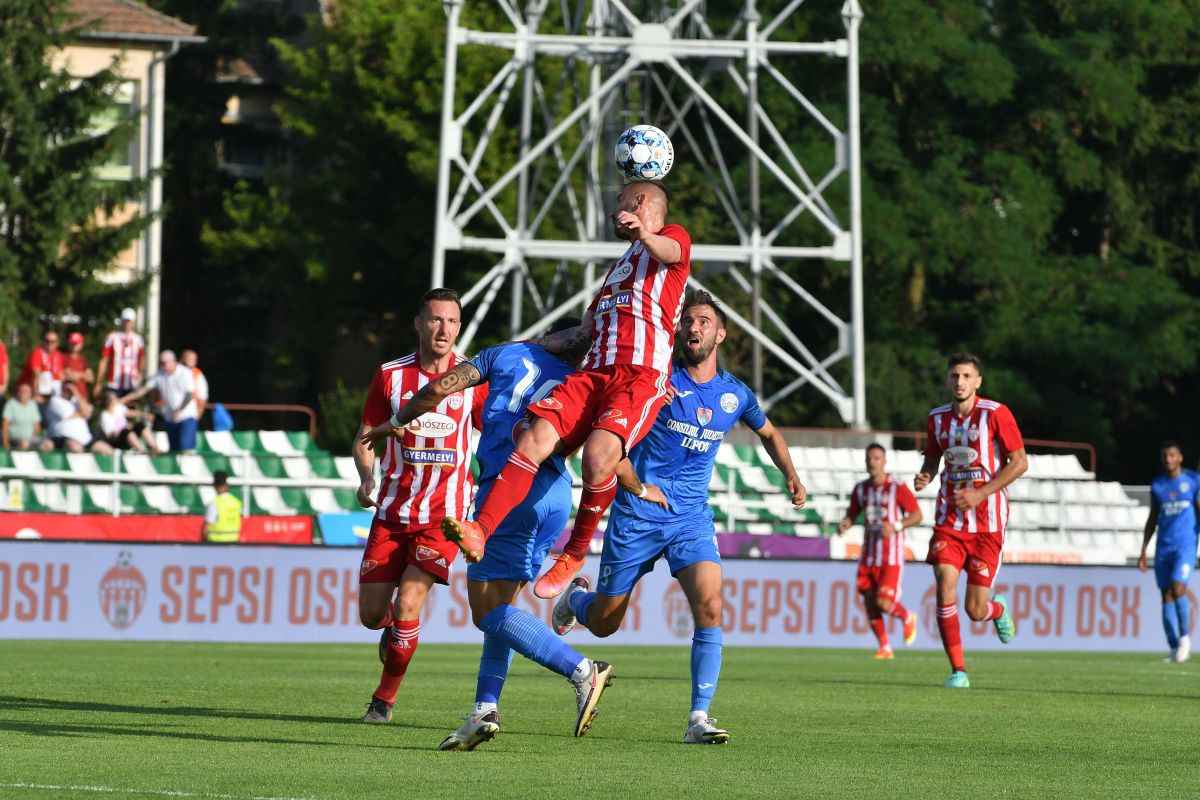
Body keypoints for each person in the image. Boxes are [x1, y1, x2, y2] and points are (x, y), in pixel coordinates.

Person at [552, 290, 807, 744]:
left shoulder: (735, 394)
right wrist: (635, 481)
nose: (695, 327)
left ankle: (698, 718)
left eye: (705, 321)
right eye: (688, 320)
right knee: (606, 624)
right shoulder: (656, 381)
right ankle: (576, 601)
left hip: (691, 517)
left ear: (721, 334)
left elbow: (769, 433)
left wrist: (792, 477)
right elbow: (613, 440)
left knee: (710, 607)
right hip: (638, 513)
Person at [362, 318, 614, 749]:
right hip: (555, 498)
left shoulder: (504, 353)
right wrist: (639, 487)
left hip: (510, 493)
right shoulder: (582, 382)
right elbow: (607, 452)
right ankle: (485, 708)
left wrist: (397, 420)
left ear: (550, 334)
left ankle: (581, 670)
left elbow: (439, 388)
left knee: (486, 613)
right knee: (503, 610)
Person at [442, 181, 691, 597]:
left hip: (639, 375)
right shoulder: (617, 271)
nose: (615, 210)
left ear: (641, 202)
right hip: (592, 375)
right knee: (531, 435)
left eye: (620, 201)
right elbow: (584, 333)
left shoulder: (671, 237)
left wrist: (644, 233)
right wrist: (530, 345)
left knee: (597, 459)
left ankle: (574, 553)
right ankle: (479, 530)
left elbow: (672, 253)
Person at [352, 288, 487, 725]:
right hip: (392, 513)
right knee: (373, 615)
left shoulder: (472, 379)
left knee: (411, 601)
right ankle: (390, 630)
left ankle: (382, 701)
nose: (443, 329)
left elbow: (499, 432)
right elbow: (366, 435)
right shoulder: (390, 375)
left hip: (443, 519)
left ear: (459, 327)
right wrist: (367, 476)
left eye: (451, 321)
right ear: (418, 323)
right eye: (435, 319)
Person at [914, 352, 1026, 689]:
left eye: (966, 376)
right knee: (944, 582)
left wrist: (981, 493)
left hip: (988, 524)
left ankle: (996, 610)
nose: (960, 382)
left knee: (975, 610)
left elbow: (1019, 463)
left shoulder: (996, 414)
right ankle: (958, 671)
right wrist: (925, 476)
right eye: (954, 376)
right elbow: (933, 460)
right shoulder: (937, 419)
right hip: (950, 519)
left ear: (978, 381)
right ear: (948, 380)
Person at [836, 443, 923, 659]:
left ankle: (907, 617)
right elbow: (852, 513)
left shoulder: (897, 487)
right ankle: (885, 646)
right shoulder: (861, 489)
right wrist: (846, 523)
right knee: (868, 600)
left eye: (876, 458)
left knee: (884, 602)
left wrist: (896, 526)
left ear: (885, 462)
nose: (872, 463)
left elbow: (917, 515)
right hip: (868, 555)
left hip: (890, 556)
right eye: (869, 459)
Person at [1138, 441, 1200, 663]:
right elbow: (1153, 518)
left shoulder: (1193, 481)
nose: (1168, 459)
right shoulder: (1158, 485)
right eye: (1165, 455)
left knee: (1178, 588)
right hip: (1163, 546)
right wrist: (1144, 549)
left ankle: (1185, 638)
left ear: (1180, 458)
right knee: (1165, 595)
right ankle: (1174, 646)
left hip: (1186, 545)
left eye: (1172, 455)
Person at [119, 350, 197, 452]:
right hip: (170, 418)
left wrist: (179, 410)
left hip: (186, 417)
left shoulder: (184, 373)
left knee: (185, 449)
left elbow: (189, 395)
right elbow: (142, 390)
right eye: (161, 363)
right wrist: (124, 399)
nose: (162, 365)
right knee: (174, 450)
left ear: (173, 361)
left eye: (164, 363)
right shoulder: (160, 375)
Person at [39, 382, 112, 454]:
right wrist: (82, 413)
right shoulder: (55, 400)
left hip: (85, 439)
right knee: (75, 448)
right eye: (67, 389)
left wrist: (76, 393)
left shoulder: (76, 400)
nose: (69, 391)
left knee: (108, 450)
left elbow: (87, 412)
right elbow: (72, 414)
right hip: (63, 437)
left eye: (71, 389)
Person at [95, 308, 145, 399]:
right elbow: (104, 360)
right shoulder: (112, 337)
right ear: (121, 321)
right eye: (125, 321)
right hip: (114, 384)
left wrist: (140, 373)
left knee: (130, 410)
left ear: (133, 322)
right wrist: (99, 382)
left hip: (132, 383)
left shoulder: (138, 339)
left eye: (129, 321)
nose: (127, 324)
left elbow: (142, 357)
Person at [17, 330, 64, 403]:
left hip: (51, 391)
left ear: (57, 343)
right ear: (43, 341)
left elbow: (60, 375)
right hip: (34, 390)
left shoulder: (58, 355)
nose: (50, 344)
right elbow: (35, 374)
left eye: (53, 342)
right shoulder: (37, 352)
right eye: (47, 341)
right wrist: (36, 394)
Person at [202, 470, 243, 543]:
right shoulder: (236, 502)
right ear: (226, 484)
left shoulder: (214, 503)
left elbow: (206, 529)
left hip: (216, 545)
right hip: (233, 543)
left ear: (214, 485)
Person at [2, 383, 41, 450]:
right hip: (15, 439)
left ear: (30, 394)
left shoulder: (33, 405)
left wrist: (34, 437)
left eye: (25, 391)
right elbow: (5, 425)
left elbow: (36, 424)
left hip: (30, 439)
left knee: (48, 444)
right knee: (24, 444)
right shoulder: (11, 404)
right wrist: (5, 443)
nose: (22, 393)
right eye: (20, 391)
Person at [63, 332, 95, 398]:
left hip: (82, 396)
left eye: (76, 343)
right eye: (72, 343)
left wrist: (79, 375)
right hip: (69, 396)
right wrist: (83, 375)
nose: (74, 346)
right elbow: (70, 376)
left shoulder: (83, 360)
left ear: (81, 345)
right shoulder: (64, 358)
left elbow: (91, 378)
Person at [180, 349, 209, 422]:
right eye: (190, 358)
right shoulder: (172, 372)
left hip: (189, 415)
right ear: (182, 358)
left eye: (194, 359)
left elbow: (203, 398)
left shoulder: (197, 374)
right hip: (169, 414)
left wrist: (197, 416)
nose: (192, 361)